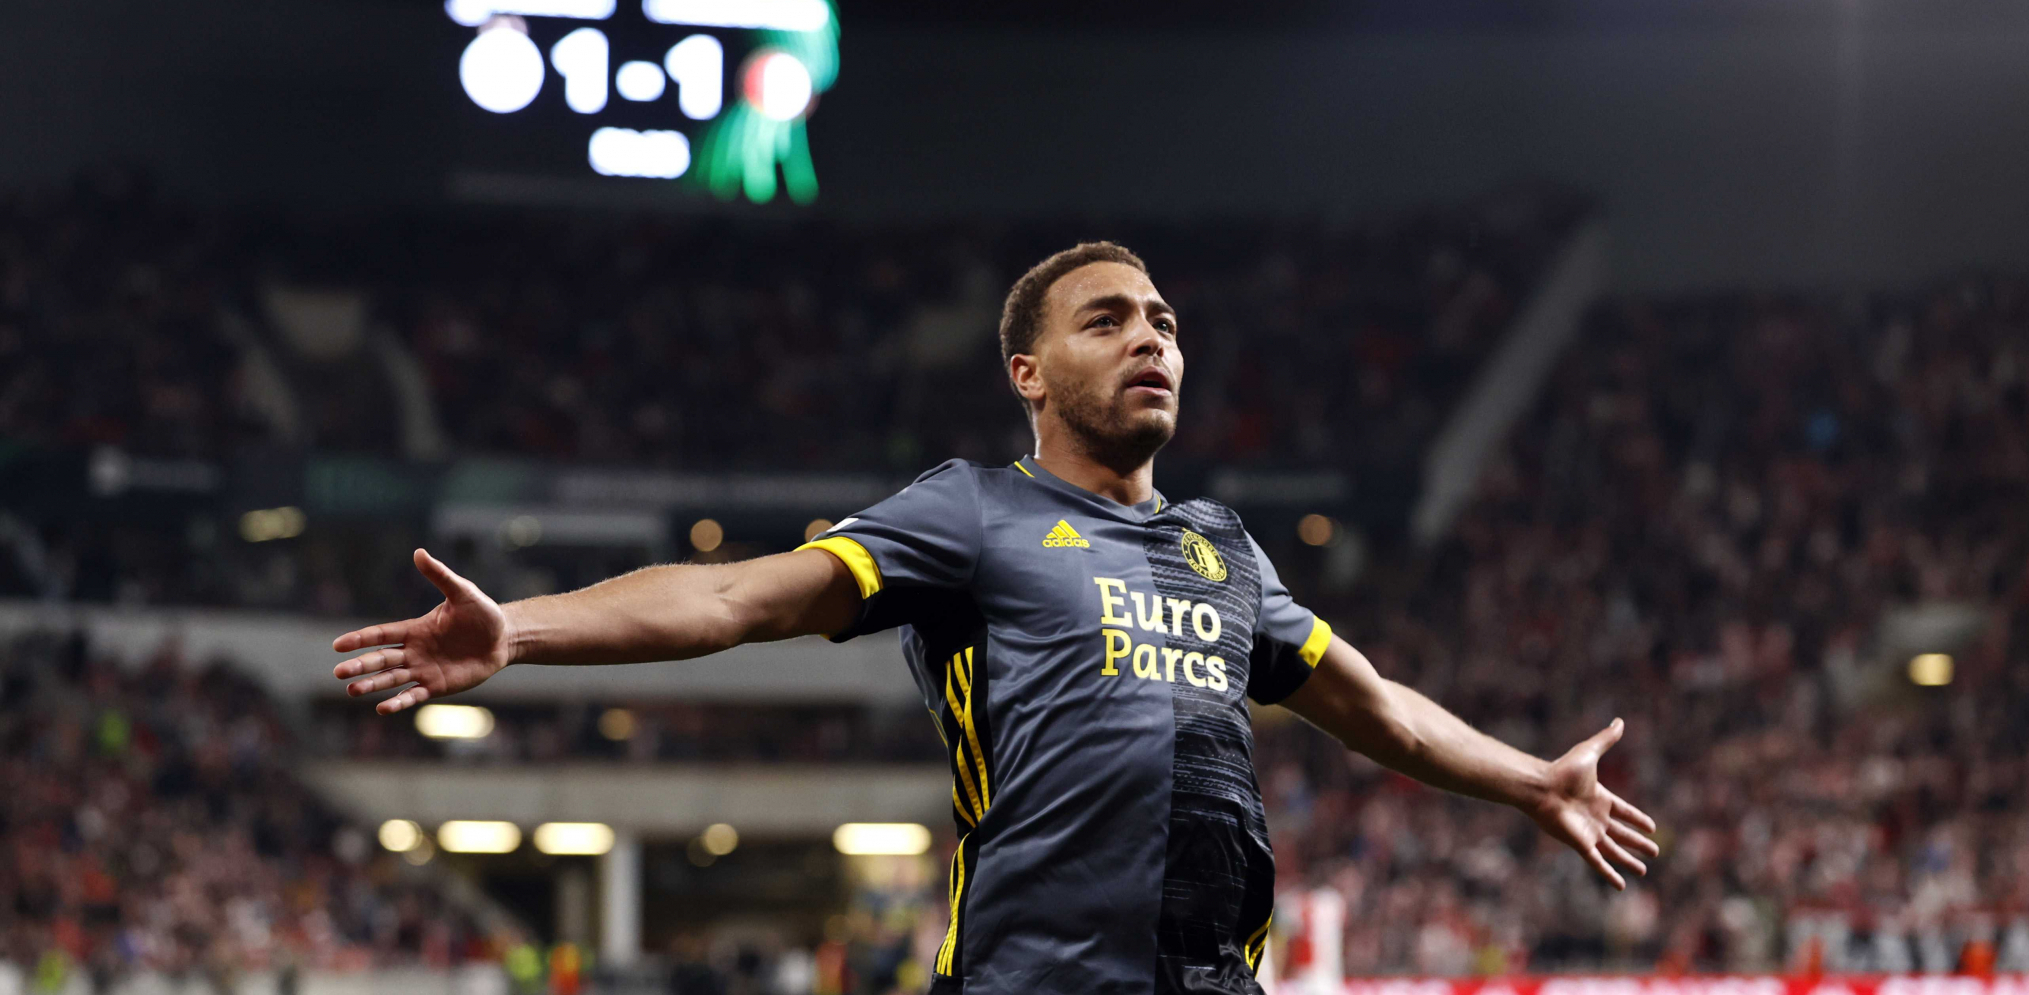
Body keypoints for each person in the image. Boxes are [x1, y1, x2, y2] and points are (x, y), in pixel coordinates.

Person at [332, 242, 1658, 995]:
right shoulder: (971, 512)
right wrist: (523, 631)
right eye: (1108, 321)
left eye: (1163, 322)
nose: (1151, 339)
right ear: (1029, 372)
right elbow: (735, 594)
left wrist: (1529, 779)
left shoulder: (1223, 549)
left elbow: (1376, 709)